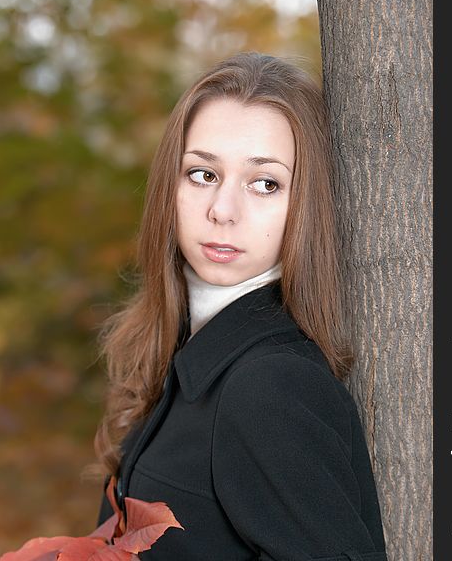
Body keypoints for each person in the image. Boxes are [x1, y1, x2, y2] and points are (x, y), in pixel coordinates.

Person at [93, 51, 387, 560]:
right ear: (171, 185)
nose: (222, 211)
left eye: (265, 183)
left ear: (306, 204)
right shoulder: (184, 349)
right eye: (203, 174)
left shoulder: (270, 387)